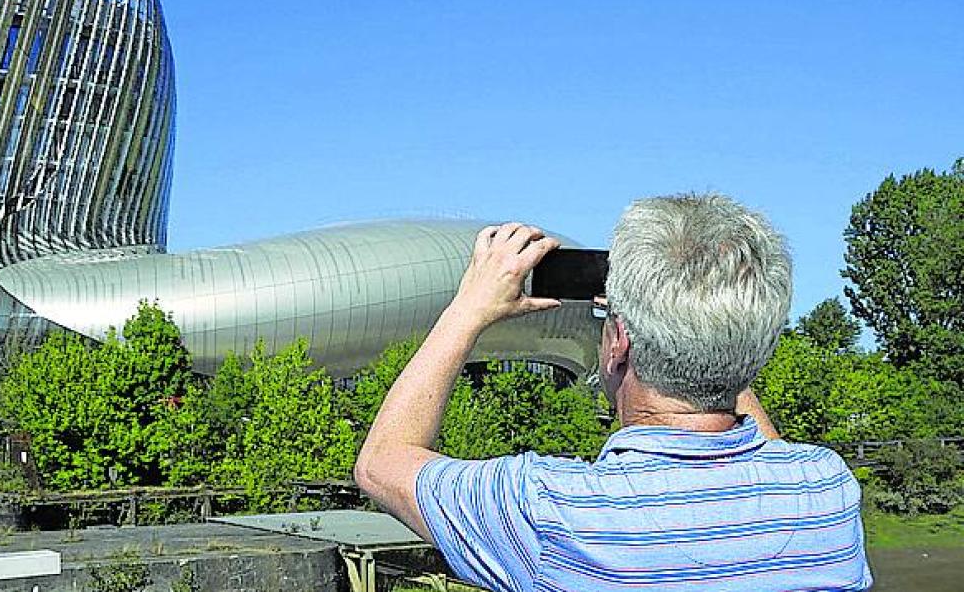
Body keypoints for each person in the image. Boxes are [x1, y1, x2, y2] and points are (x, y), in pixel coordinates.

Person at [354, 194, 871, 591]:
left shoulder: (551, 511)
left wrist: (467, 308)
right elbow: (768, 452)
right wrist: (717, 328)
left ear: (619, 341)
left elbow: (381, 463)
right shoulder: (826, 491)